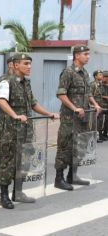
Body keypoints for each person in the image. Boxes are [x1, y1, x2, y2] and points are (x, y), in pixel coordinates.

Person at [0, 53, 59, 209]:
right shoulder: (6, 82)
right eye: (25, 63)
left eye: (30, 64)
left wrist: (48, 113)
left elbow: (33, 103)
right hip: (10, 129)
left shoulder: (26, 83)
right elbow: (0, 100)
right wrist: (15, 115)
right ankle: (3, 196)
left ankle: (18, 192)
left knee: (25, 160)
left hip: (26, 129)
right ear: (16, 65)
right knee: (8, 161)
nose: (29, 66)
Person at [54, 45, 102, 191]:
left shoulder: (85, 73)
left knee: (80, 146)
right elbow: (61, 94)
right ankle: (59, 178)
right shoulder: (68, 72)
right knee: (65, 146)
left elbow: (87, 94)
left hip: (83, 117)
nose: (88, 56)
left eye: (88, 54)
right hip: (70, 118)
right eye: (85, 54)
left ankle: (72, 175)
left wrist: (95, 104)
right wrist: (75, 108)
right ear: (76, 56)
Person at [89, 70, 106, 142]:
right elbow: (89, 95)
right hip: (94, 107)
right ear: (95, 76)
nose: (102, 76)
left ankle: (99, 137)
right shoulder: (92, 85)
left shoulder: (101, 85)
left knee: (100, 122)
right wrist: (93, 105)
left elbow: (102, 95)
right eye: (100, 75)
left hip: (100, 106)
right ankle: (92, 138)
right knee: (93, 123)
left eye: (102, 75)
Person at [102, 71, 108, 138]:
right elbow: (96, 95)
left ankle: (105, 133)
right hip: (101, 105)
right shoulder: (99, 85)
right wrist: (105, 97)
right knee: (100, 120)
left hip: (107, 105)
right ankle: (101, 135)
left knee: (107, 120)